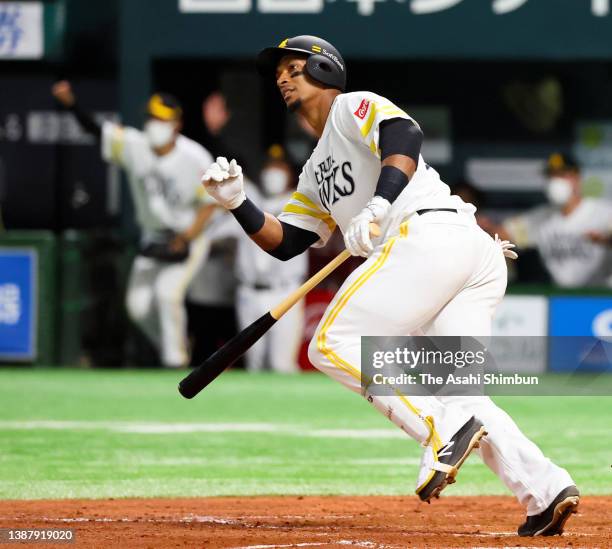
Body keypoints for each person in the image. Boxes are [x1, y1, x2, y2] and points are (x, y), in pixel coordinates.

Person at [201, 36, 579, 536]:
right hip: (464, 254)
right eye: (279, 73)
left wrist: (379, 204)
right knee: (460, 393)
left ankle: (435, 429)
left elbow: (404, 134)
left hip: (428, 236)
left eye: (294, 67)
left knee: (329, 344)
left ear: (323, 68)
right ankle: (545, 488)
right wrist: (237, 204)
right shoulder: (315, 171)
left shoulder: (351, 107)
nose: (283, 78)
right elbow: (288, 241)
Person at [51, 81, 217, 368]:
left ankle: (175, 363)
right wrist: (71, 105)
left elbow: (210, 203)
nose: (155, 124)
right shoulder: (134, 144)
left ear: (177, 124)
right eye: (152, 117)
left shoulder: (195, 157)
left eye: (162, 119)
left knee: (167, 294)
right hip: (152, 237)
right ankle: (174, 347)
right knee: (138, 307)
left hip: (189, 235)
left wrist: (187, 237)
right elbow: (96, 130)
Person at [480, 153, 612, 288]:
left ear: (577, 177)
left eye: (562, 175)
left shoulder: (603, 212)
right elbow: (502, 234)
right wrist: (483, 227)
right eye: (552, 176)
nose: (556, 181)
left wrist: (607, 240)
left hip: (599, 296)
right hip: (559, 296)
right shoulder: (541, 217)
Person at [234, 145, 307, 372]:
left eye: (279, 166)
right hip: (248, 292)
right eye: (269, 166)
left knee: (281, 365)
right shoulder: (249, 199)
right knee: (253, 365)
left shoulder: (301, 200)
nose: (273, 172)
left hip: (284, 291)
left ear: (289, 173)